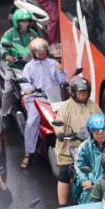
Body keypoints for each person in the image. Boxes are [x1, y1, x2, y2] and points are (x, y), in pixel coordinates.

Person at [53, 77, 102, 205]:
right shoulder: (66, 106)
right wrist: (60, 133)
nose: (83, 94)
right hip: (69, 146)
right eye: (80, 91)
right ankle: (62, 205)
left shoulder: (93, 106)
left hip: (89, 146)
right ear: (74, 92)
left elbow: (101, 119)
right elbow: (58, 122)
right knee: (64, 173)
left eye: (85, 91)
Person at [21, 38, 68, 169]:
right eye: (39, 51)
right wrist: (28, 88)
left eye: (44, 50)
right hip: (35, 99)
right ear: (33, 52)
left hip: (53, 98)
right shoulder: (29, 67)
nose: (42, 53)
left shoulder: (54, 63)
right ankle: (28, 153)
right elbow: (25, 82)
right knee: (31, 123)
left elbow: (63, 81)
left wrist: (61, 71)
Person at [0, 9, 40, 119]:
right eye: (22, 21)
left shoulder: (33, 33)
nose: (25, 23)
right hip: (14, 67)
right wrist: (7, 55)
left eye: (27, 21)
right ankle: (4, 115)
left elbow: (39, 44)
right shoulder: (9, 34)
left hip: (31, 66)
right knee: (8, 91)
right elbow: (3, 47)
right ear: (17, 22)